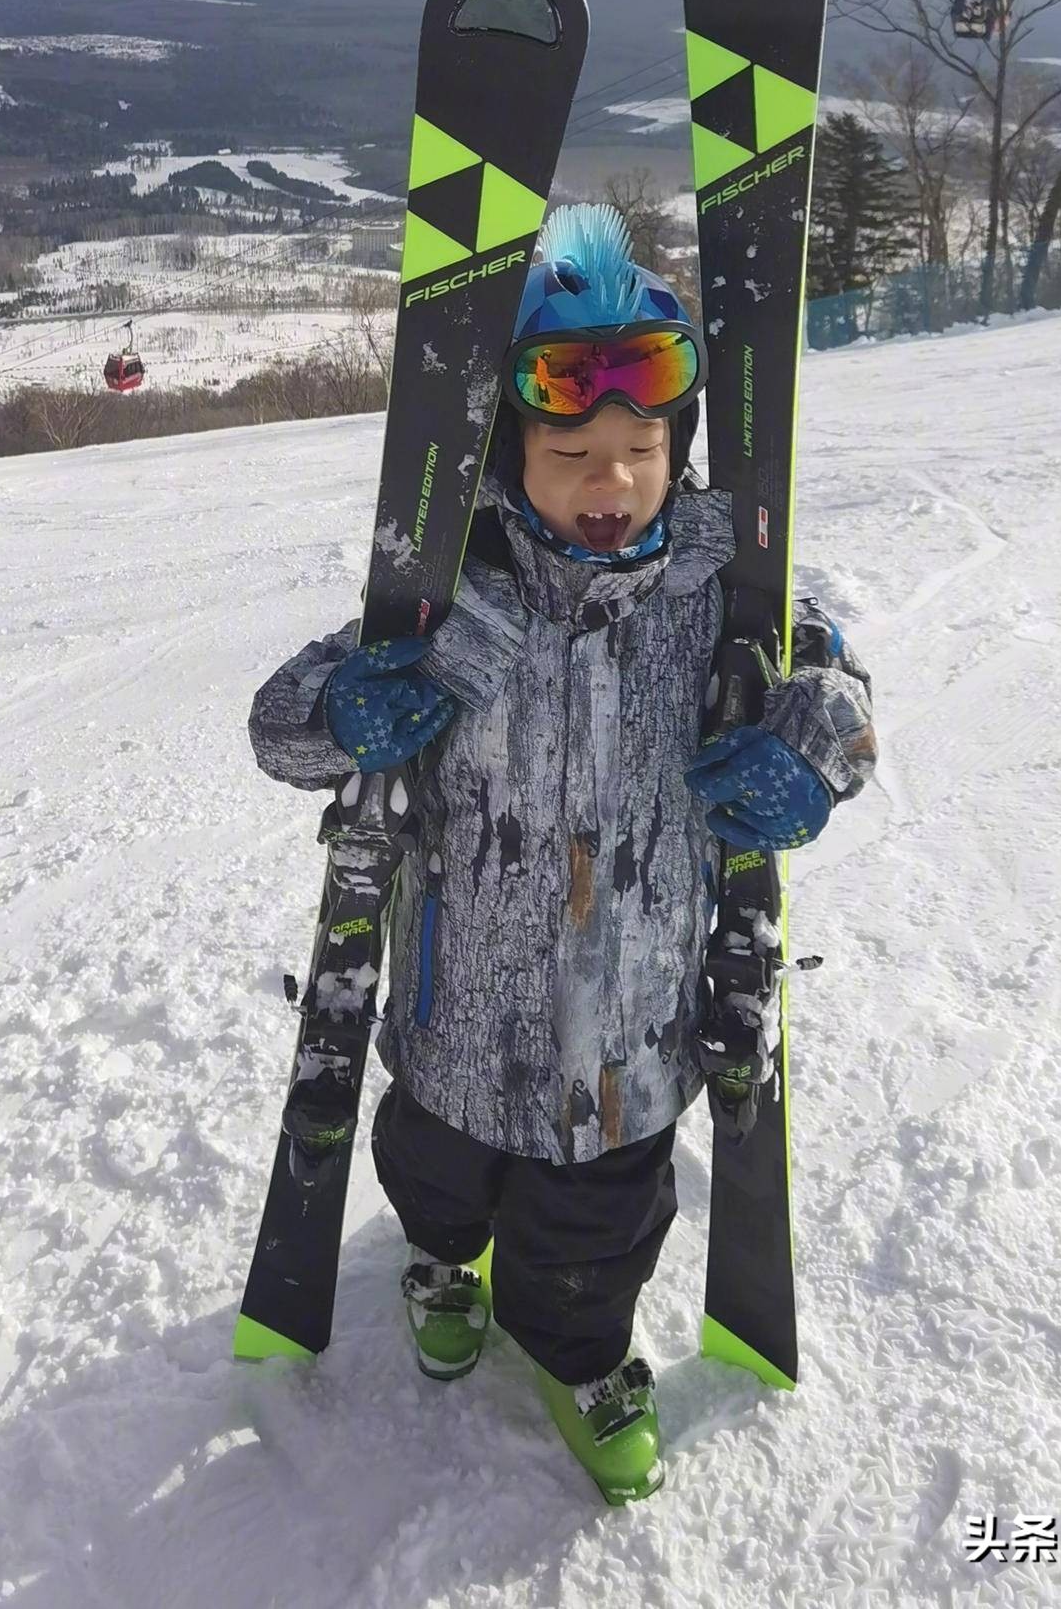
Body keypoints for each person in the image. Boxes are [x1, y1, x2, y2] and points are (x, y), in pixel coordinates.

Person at [249, 204, 873, 1502]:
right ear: (504, 453)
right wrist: (348, 706)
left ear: (679, 446)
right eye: (574, 448)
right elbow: (285, 719)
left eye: (643, 446)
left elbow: (836, 679)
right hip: (455, 1015)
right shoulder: (460, 593)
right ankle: (437, 1260)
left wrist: (807, 751)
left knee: (589, 1239)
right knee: (434, 1174)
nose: (612, 479)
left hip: (626, 1042)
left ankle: (582, 1355)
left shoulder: (717, 588)